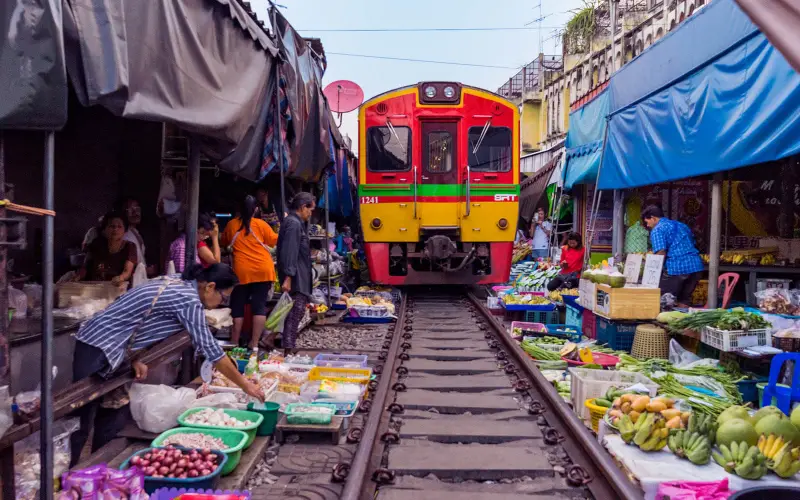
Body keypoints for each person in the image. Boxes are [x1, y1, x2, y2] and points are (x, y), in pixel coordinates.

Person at [69, 263, 264, 465]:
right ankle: (69, 473)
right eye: (223, 298)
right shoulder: (188, 301)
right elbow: (212, 351)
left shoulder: (181, 283)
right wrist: (245, 385)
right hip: (98, 345)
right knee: (82, 414)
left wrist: (135, 358)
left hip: (117, 348)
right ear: (209, 287)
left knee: (114, 409)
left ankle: (100, 468)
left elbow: (137, 316)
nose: (222, 302)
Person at [222, 195, 279, 349]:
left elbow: (225, 243)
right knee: (259, 306)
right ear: (256, 209)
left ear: (239, 209)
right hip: (263, 270)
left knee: (238, 306)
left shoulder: (232, 225)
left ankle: (234, 342)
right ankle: (254, 343)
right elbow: (275, 240)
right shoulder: (261, 224)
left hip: (241, 272)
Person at [642, 205, 704, 307]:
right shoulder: (682, 225)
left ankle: (664, 321)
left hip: (677, 268)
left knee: (664, 301)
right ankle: (681, 321)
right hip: (695, 267)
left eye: (647, 221)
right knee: (683, 301)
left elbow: (661, 252)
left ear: (653, 218)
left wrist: (652, 273)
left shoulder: (657, 229)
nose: (647, 225)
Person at [277, 192, 315, 356]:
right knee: (294, 314)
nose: (311, 213)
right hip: (296, 277)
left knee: (294, 313)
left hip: (298, 275)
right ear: (302, 207)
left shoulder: (295, 222)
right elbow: (290, 251)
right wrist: (289, 277)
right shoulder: (293, 224)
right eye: (310, 209)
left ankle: (287, 349)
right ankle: (288, 352)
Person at [77, 211, 138, 285]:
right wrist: (78, 276)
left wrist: (120, 278)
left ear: (124, 231)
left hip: (119, 288)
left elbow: (127, 272)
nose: (115, 229)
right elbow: (85, 267)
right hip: (95, 288)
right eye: (112, 226)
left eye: (119, 226)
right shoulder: (96, 244)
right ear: (104, 229)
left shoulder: (130, 247)